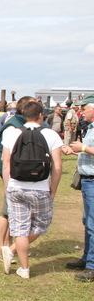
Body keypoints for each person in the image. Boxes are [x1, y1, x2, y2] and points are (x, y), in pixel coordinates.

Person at [0, 100, 63, 278]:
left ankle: (24, 268)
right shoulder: (51, 135)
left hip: (15, 186)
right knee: (41, 225)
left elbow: (6, 163)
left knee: (19, 228)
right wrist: (53, 189)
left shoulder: (12, 133)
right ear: (41, 116)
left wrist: (7, 187)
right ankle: (12, 251)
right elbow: (57, 167)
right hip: (40, 187)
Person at [0, 96, 35, 261]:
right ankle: (0, 247)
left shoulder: (23, 125)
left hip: (20, 175)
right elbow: (5, 158)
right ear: (25, 110)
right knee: (6, 213)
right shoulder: (12, 127)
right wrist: (7, 181)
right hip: (11, 176)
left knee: (15, 213)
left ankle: (11, 245)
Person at [63, 95, 94, 282]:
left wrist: (83, 148)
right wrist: (75, 150)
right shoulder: (90, 128)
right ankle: (87, 258)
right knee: (88, 221)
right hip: (87, 180)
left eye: (84, 108)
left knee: (92, 223)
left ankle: (91, 265)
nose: (80, 112)